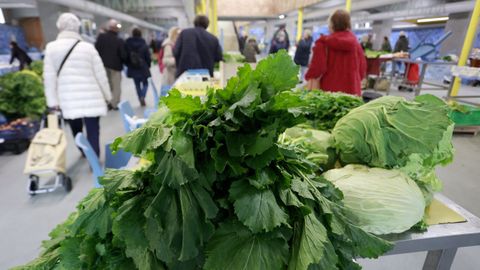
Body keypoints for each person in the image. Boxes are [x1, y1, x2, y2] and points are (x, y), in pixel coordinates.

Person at [43, 13, 111, 156]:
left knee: (76, 130)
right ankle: (94, 159)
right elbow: (101, 75)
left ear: (59, 27)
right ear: (77, 27)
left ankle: (83, 151)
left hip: (67, 99)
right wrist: (107, 95)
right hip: (92, 96)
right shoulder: (88, 47)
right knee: (93, 130)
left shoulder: (51, 48)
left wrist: (52, 102)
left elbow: (49, 78)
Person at [305, 9, 366, 96]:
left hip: (329, 91)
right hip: (352, 91)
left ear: (331, 24)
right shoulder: (356, 44)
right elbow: (362, 68)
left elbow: (318, 68)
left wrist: (308, 76)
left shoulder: (323, 43)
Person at [95, 19, 126, 110]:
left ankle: (107, 102)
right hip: (116, 67)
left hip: (103, 66)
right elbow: (123, 54)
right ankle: (115, 104)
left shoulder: (101, 38)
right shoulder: (119, 40)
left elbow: (96, 50)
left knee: (106, 84)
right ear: (116, 29)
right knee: (116, 86)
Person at [125, 28, 151, 107]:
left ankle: (140, 97)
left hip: (133, 68)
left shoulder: (127, 44)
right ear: (140, 34)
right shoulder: (144, 44)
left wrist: (128, 64)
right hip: (143, 67)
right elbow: (148, 57)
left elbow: (125, 56)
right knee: (145, 83)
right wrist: (148, 65)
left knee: (137, 85)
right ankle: (143, 96)